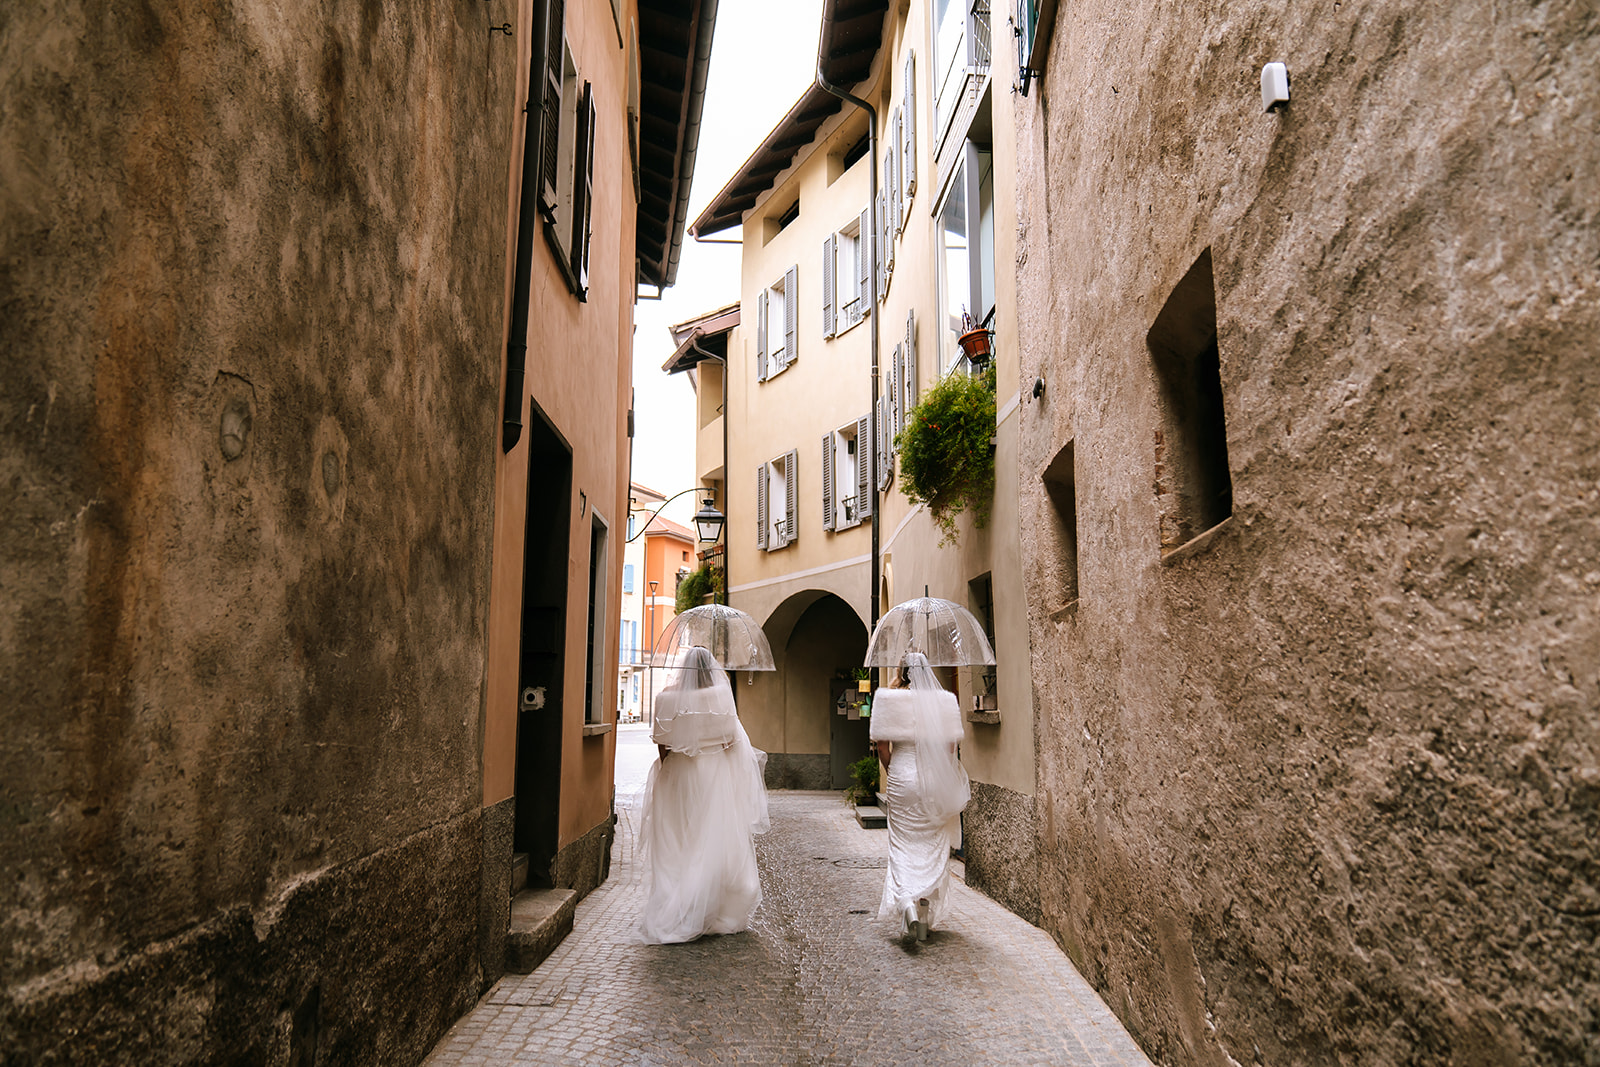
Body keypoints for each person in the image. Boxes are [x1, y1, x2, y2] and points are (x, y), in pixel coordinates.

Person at [638, 646, 770, 944]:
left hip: (677, 775)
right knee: (710, 839)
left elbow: (662, 746)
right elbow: (731, 741)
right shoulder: (720, 697)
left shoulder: (665, 699)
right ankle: (711, 909)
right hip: (712, 774)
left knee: (678, 842)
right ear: (710, 669)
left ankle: (677, 908)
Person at [868, 651, 969, 940]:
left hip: (901, 774)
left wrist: (895, 769)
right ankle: (923, 918)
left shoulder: (887, 699)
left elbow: (882, 746)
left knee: (902, 843)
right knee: (932, 840)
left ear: (901, 671)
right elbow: (950, 749)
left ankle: (906, 903)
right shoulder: (945, 701)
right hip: (932, 777)